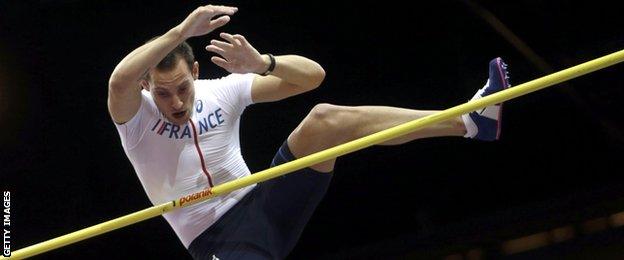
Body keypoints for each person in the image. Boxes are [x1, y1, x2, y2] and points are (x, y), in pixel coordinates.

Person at [108, 4, 510, 260]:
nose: (176, 102)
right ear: (147, 86)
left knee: (325, 119)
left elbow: (312, 76)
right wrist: (181, 31)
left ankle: (471, 122)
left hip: (267, 205)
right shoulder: (136, 119)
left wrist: (264, 62)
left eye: (183, 88)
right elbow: (117, 82)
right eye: (164, 93)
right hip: (220, 242)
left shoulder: (221, 91)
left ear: (196, 73)